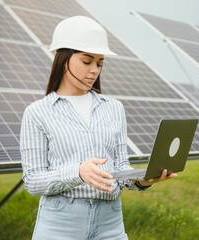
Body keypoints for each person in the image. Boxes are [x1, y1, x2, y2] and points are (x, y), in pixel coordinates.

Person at [20, 16, 177, 240]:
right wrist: (78, 172)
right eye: (87, 61)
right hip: (60, 224)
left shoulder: (114, 108)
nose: (94, 70)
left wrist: (143, 180)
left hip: (110, 223)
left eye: (99, 63)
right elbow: (33, 181)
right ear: (63, 58)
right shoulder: (37, 112)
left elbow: (120, 168)